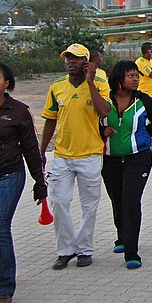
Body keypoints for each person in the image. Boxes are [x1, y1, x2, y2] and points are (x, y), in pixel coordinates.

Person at [40, 43, 111, 270]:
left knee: (89, 205)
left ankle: (85, 249)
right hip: (62, 154)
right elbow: (50, 119)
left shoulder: (100, 84)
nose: (71, 62)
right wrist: (41, 151)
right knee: (59, 202)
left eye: (76, 58)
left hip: (90, 154)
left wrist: (90, 83)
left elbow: (104, 111)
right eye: (68, 58)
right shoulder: (57, 86)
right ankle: (65, 250)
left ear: (86, 62)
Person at [100, 60, 152, 270]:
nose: (136, 79)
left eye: (137, 76)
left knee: (131, 201)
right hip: (110, 159)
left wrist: (143, 136)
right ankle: (121, 237)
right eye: (131, 76)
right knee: (117, 200)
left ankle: (132, 251)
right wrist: (102, 133)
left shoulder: (144, 100)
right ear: (119, 78)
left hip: (138, 158)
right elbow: (95, 124)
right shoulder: (105, 101)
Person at [0, 62, 47, 303]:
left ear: (7, 83)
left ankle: (4, 288)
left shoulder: (18, 111)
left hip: (8, 176)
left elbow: (30, 149)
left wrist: (39, 182)